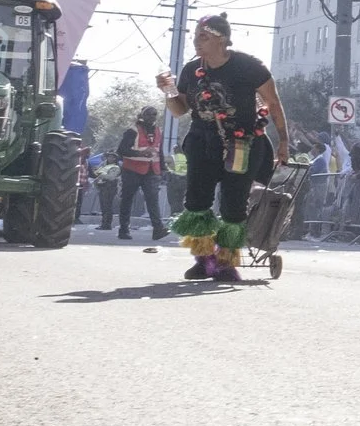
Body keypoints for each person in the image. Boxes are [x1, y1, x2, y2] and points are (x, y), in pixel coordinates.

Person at [156, 14, 284, 282]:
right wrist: (168, 91)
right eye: (195, 36)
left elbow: (273, 103)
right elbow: (180, 110)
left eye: (203, 36)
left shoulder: (248, 66)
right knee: (197, 203)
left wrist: (284, 141)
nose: (196, 41)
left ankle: (226, 262)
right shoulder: (192, 70)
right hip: (202, 142)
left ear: (222, 38)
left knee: (233, 206)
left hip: (242, 144)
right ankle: (204, 261)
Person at [113, 105, 170, 242]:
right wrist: (139, 153)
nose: (152, 117)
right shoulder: (132, 131)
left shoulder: (158, 131)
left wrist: (163, 169)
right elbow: (121, 150)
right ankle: (124, 229)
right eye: (149, 114)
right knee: (127, 200)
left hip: (151, 171)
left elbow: (159, 152)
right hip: (132, 170)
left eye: (155, 114)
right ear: (142, 116)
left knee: (153, 200)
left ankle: (158, 229)